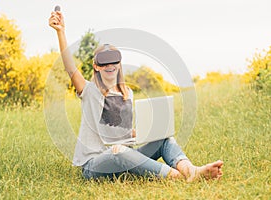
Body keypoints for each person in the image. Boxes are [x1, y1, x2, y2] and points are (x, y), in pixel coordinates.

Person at [48, 10, 223, 181]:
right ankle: (175, 176)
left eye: (114, 60)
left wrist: (145, 132)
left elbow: (121, 131)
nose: (110, 65)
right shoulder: (89, 90)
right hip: (94, 164)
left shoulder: (127, 93)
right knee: (119, 151)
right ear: (96, 66)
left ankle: (190, 170)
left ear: (119, 64)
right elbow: (70, 68)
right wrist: (61, 32)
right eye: (104, 61)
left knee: (163, 139)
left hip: (125, 156)